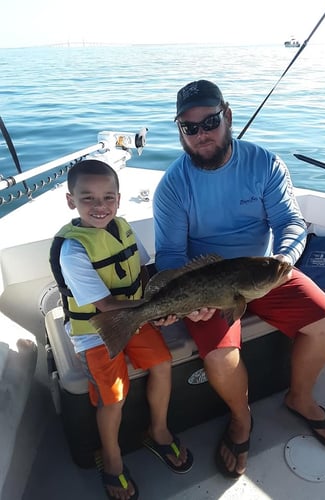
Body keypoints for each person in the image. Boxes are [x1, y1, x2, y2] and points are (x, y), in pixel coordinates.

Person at [153, 80, 325, 479]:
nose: (201, 134)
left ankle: (300, 398)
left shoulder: (265, 163)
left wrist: (283, 258)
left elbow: (290, 222)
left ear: (227, 116)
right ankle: (242, 419)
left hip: (264, 269)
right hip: (209, 287)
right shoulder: (173, 185)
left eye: (209, 121)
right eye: (190, 128)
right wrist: (191, 301)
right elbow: (172, 256)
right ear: (180, 132)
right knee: (222, 359)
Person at [50, 159, 193, 500]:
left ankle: (158, 431)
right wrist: (159, 311)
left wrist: (158, 307)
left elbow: (143, 270)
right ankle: (112, 460)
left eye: (108, 198)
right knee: (114, 396)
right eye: (88, 199)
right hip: (95, 331)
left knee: (162, 362)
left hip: (135, 316)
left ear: (118, 199)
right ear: (71, 201)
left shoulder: (124, 227)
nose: (100, 207)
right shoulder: (73, 248)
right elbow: (104, 306)